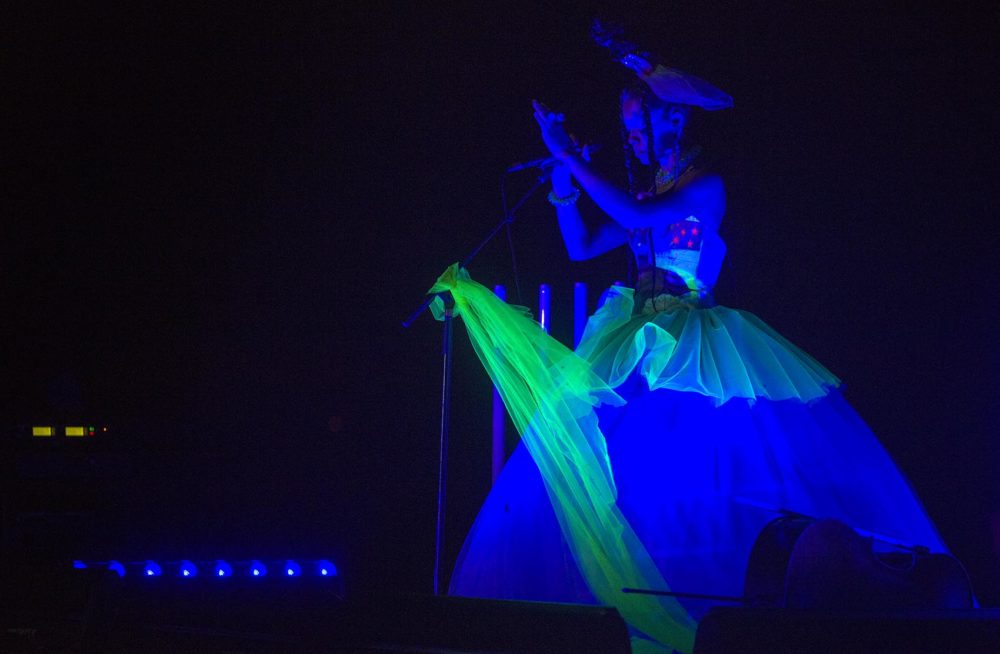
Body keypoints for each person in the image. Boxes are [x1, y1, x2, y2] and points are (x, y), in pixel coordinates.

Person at [435, 57, 947, 654]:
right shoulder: (652, 191)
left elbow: (633, 217)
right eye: (626, 136)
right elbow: (581, 245)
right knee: (613, 465)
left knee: (694, 476)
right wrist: (563, 180)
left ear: (673, 122)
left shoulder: (706, 186)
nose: (631, 145)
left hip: (690, 344)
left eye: (637, 132)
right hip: (637, 333)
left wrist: (572, 155)